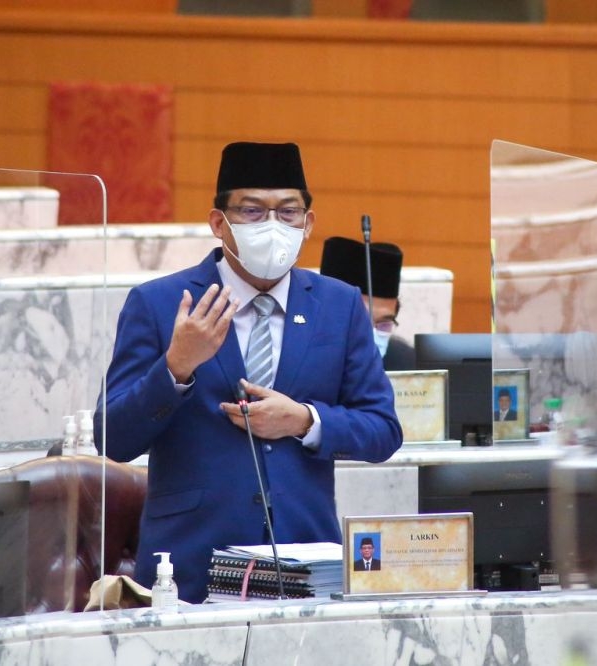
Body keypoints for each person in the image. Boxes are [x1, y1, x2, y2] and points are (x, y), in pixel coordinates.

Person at [94, 141, 403, 603]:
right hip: (189, 567)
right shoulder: (159, 304)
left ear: (308, 223)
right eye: (254, 212)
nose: (274, 226)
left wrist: (305, 420)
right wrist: (177, 365)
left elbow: (383, 430)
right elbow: (111, 439)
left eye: (289, 212)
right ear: (219, 222)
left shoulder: (339, 306)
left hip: (306, 566)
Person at [319, 236, 415, 371]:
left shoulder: (406, 363)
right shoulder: (289, 357)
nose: (372, 334)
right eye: (360, 321)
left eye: (384, 324)